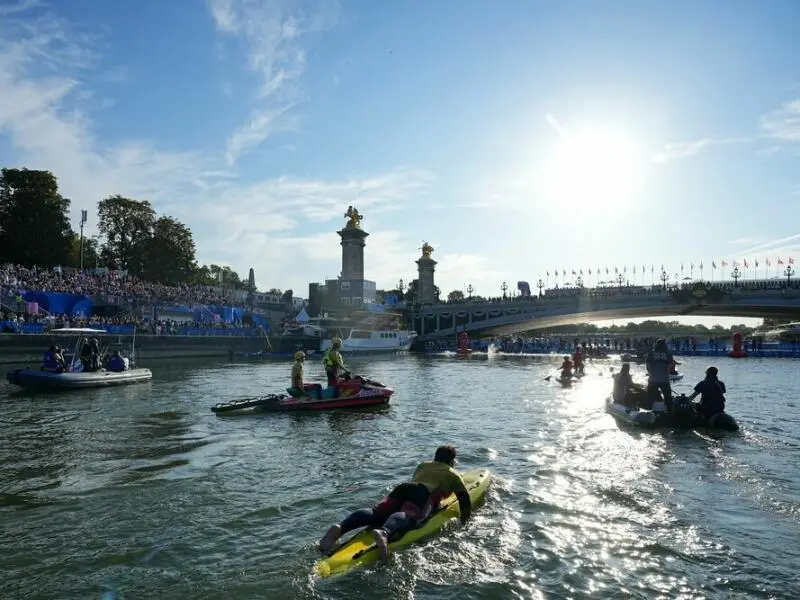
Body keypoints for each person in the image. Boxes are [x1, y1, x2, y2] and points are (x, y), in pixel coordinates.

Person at [318, 445, 472, 562]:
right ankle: (384, 532)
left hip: (403, 488)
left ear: (435, 457)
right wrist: (465, 521)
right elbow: (464, 498)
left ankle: (341, 527)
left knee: (377, 513)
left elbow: (416, 482)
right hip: (423, 494)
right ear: (451, 461)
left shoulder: (422, 465)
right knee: (410, 515)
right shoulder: (453, 474)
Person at [645, 339, 673, 411]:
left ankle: (648, 410)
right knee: (667, 397)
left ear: (656, 345)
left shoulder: (650, 354)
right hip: (664, 379)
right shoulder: (669, 354)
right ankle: (669, 411)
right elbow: (670, 367)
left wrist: (652, 372)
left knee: (650, 396)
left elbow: (647, 367)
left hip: (653, 379)